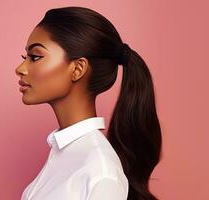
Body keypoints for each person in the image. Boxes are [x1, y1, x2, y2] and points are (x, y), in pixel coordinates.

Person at [15, 6, 162, 200]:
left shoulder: (101, 173)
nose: (20, 69)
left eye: (35, 57)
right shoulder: (65, 152)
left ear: (77, 69)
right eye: (25, 58)